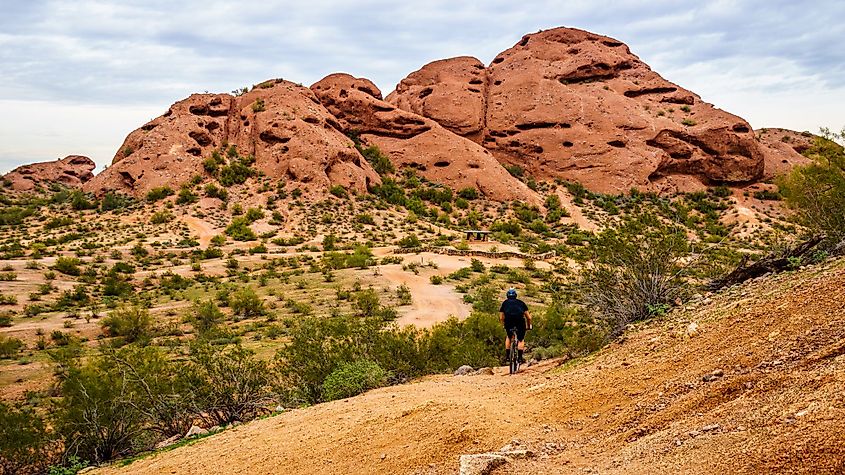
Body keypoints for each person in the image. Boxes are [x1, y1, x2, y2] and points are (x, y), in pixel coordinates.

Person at [499, 288, 531, 364]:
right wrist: (529, 326)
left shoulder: (504, 303)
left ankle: (507, 356)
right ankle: (520, 358)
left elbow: (501, 317)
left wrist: (503, 325)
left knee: (509, 337)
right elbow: (528, 317)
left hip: (508, 321)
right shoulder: (521, 303)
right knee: (521, 339)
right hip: (520, 321)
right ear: (516, 295)